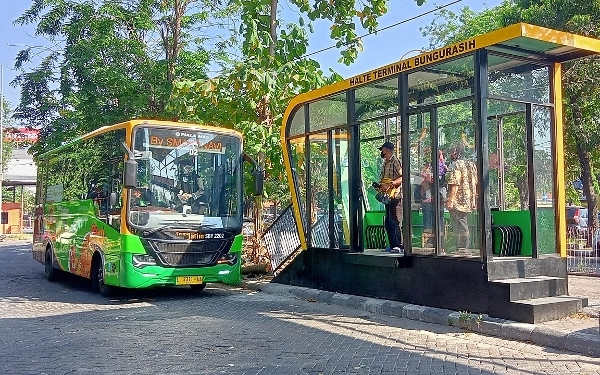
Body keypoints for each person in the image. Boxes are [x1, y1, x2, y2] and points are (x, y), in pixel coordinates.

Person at [445, 142, 477, 250]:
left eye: (451, 152)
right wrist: (473, 201)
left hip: (458, 201)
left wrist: (451, 200)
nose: (450, 154)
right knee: (464, 223)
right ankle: (464, 247)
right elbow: (474, 183)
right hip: (468, 200)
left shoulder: (456, 164)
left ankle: (462, 248)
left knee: (458, 225)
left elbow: (455, 183)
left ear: (455, 152)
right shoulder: (471, 164)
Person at [377, 141, 403, 254]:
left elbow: (403, 176)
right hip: (387, 196)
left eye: (383, 150)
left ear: (386, 150)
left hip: (395, 195)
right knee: (388, 221)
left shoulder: (395, 161)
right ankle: (392, 244)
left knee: (395, 221)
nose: (382, 153)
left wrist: (391, 184)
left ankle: (399, 245)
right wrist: (380, 187)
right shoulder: (385, 163)